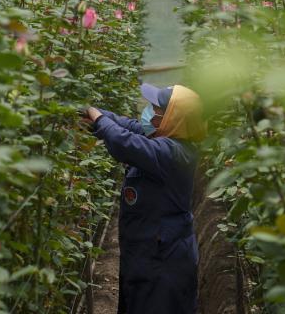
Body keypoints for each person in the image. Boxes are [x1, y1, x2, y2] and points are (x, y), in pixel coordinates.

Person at [81, 83, 207, 314]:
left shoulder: (174, 154)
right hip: (147, 253)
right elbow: (127, 126)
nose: (149, 111)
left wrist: (98, 119)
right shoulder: (162, 136)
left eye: (155, 108)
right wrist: (89, 111)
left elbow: (124, 143)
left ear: (171, 118)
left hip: (163, 262)